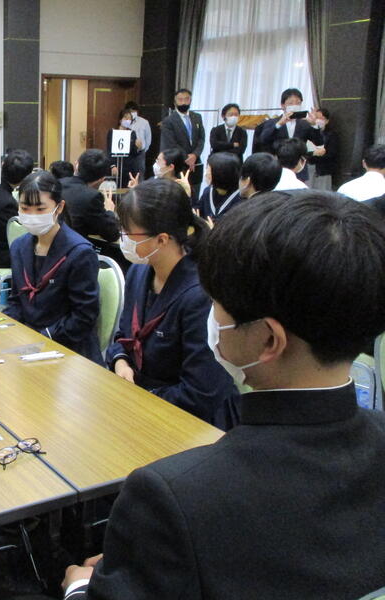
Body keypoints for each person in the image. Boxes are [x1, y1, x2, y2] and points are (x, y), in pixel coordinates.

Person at [62, 190, 385, 599]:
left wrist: (79, 587)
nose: (211, 316)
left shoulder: (173, 496)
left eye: (217, 304)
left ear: (268, 340)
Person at [106, 178, 238, 428]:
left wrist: (140, 399)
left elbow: (201, 392)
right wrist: (120, 361)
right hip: (143, 403)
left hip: (191, 419)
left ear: (162, 240)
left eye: (128, 233)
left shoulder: (200, 295)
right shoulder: (139, 271)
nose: (122, 239)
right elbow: (124, 336)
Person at [4, 171, 101, 364]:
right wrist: (8, 328)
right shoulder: (19, 246)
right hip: (29, 340)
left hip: (67, 346)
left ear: (59, 207)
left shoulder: (79, 253)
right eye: (25, 208)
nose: (32, 216)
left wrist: (43, 337)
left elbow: (84, 317)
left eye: (40, 209)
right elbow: (16, 300)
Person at [0, 149, 34, 268]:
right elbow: (15, 237)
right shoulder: (7, 204)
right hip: (0, 256)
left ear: (2, 165)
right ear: (26, 178)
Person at [59, 149, 119, 255]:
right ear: (101, 179)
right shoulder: (92, 197)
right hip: (74, 253)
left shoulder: (58, 183)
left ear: (77, 165)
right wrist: (109, 211)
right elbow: (112, 234)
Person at [259, 88, 323, 181]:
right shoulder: (273, 122)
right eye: (290, 103)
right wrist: (279, 124)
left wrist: (314, 125)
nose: (294, 106)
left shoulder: (305, 123)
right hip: (276, 168)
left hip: (299, 169)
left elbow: (319, 142)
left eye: (298, 103)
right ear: (282, 105)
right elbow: (263, 139)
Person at [160, 88, 205, 192]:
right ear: (175, 102)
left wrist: (195, 155)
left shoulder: (197, 117)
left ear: (190, 100)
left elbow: (201, 138)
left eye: (186, 99)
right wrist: (187, 158)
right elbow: (171, 143)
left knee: (195, 193)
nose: (183, 102)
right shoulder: (168, 121)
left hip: (196, 163)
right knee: (180, 193)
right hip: (179, 164)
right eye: (180, 99)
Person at [196, 152, 243, 219]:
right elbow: (197, 212)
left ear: (220, 174)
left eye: (208, 169)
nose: (205, 173)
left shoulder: (240, 199)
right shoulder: (208, 191)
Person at [106, 109, 142, 188]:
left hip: (128, 167)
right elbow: (109, 150)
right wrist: (112, 165)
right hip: (115, 165)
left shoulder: (132, 133)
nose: (128, 120)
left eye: (130, 119)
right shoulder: (112, 132)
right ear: (120, 119)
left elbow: (134, 153)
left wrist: (138, 148)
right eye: (126, 118)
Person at [307, 107, 338, 191]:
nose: (319, 120)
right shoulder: (308, 132)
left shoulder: (331, 135)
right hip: (309, 168)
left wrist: (315, 156)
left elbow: (331, 153)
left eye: (322, 118)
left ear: (327, 121)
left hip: (323, 170)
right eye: (317, 117)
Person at [124, 101, 152, 179]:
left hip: (140, 153)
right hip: (127, 152)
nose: (132, 113)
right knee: (127, 174)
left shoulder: (144, 122)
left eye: (134, 111)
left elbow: (148, 139)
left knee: (139, 174)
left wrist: (142, 150)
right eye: (130, 111)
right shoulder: (125, 121)